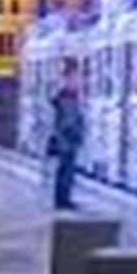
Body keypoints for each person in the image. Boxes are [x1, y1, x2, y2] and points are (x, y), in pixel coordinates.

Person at [50, 68, 85, 210]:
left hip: (65, 140)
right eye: (74, 80)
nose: (77, 82)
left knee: (64, 170)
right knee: (66, 170)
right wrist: (76, 134)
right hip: (68, 141)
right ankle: (63, 200)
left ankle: (62, 198)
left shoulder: (63, 99)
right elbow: (69, 122)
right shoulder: (68, 100)